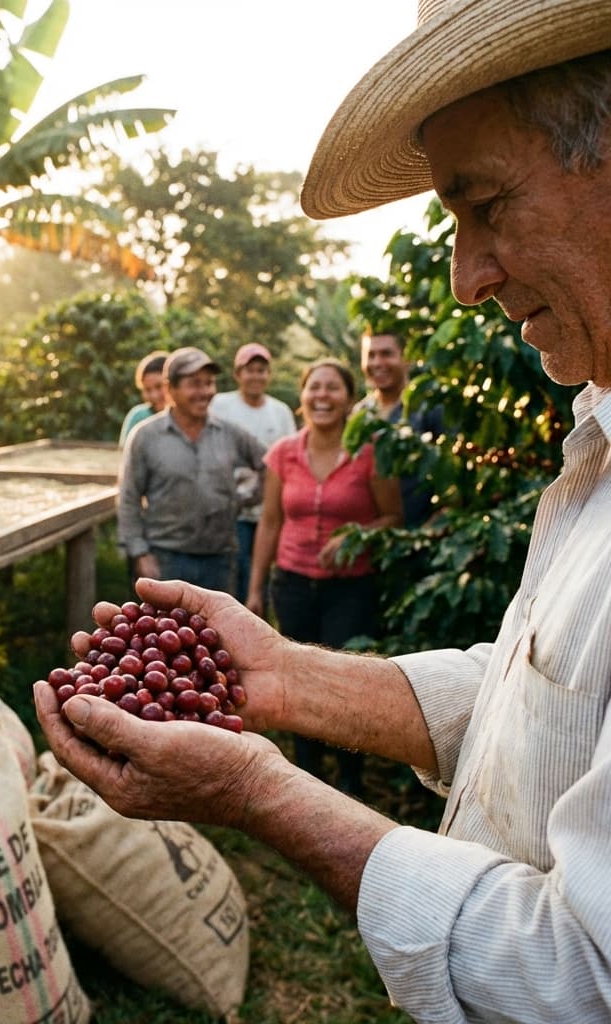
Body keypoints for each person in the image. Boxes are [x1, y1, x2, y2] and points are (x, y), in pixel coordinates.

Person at [36, 4, 611, 1021]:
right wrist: (285, 676)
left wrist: (258, 792)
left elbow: (581, 979)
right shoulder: (598, 434)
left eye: (484, 205)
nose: (465, 276)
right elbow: (547, 701)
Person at [246, 358, 402, 796]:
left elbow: (393, 517)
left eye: (333, 388)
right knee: (295, 682)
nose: (323, 396)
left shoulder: (370, 452)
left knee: (346, 685)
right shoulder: (283, 453)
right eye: (314, 387)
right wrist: (256, 588)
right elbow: (270, 522)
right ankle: (309, 777)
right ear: (302, 397)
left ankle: (351, 780)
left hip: (350, 589)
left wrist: (356, 535)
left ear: (350, 399)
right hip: (293, 586)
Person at [117, 346, 266, 593]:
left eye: (209, 383)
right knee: (165, 630)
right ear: (170, 389)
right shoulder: (145, 436)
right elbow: (128, 497)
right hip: (166, 557)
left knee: (214, 631)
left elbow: (271, 463)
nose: (205, 392)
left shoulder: (229, 433)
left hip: (220, 558)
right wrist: (139, 553)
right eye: (195, 384)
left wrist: (245, 498)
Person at [209, 342, 297, 602]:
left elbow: (290, 460)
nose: (256, 376)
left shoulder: (279, 412)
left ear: (268, 375)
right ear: (238, 374)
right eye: (250, 370)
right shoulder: (221, 406)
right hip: (230, 507)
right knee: (231, 571)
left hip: (267, 510)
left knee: (259, 574)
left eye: (261, 370)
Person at [355, 330, 445, 528]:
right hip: (371, 536)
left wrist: (431, 529)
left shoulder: (429, 406)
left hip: (421, 533)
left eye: (386, 354)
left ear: (407, 359)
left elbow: (452, 472)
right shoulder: (359, 413)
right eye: (370, 355)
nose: (377, 363)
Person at [118, 350, 169, 446]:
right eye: (148, 390)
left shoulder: (189, 416)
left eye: (159, 386)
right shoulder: (138, 416)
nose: (154, 395)